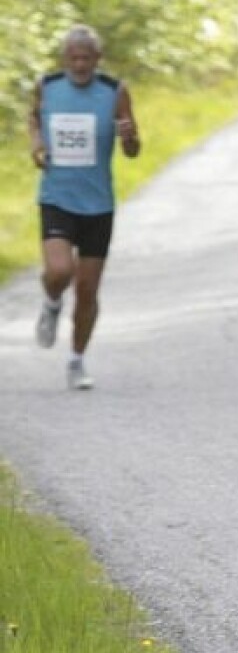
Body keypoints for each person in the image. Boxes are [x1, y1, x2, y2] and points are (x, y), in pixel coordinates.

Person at [28, 24, 141, 390]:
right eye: (73, 58)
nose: (79, 64)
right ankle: (50, 303)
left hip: (98, 205)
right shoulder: (47, 86)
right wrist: (36, 145)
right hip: (57, 197)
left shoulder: (114, 91)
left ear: (97, 59)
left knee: (88, 289)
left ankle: (76, 360)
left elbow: (133, 148)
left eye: (86, 58)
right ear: (65, 58)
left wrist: (129, 138)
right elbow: (34, 118)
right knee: (59, 271)